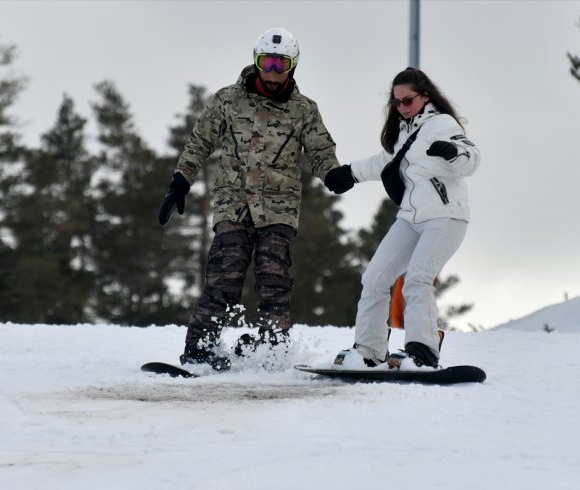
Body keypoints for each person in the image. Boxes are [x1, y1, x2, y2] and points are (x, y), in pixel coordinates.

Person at [158, 27, 353, 371]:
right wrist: (180, 181)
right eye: (267, 62)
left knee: (273, 279)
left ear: (293, 66)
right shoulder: (228, 100)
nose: (273, 72)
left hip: (279, 207)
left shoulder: (304, 110)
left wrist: (333, 173)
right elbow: (200, 141)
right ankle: (199, 350)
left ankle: (272, 351)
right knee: (223, 276)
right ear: (256, 61)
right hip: (233, 202)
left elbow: (321, 150)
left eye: (281, 64)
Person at [333, 67, 480, 369]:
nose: (401, 108)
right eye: (396, 103)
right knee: (374, 278)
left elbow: (471, 157)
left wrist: (452, 151)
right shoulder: (405, 132)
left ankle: (422, 352)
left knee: (417, 278)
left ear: (425, 96)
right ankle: (369, 352)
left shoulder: (441, 123)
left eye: (407, 101)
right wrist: (349, 173)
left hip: (445, 216)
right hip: (411, 218)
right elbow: (385, 162)